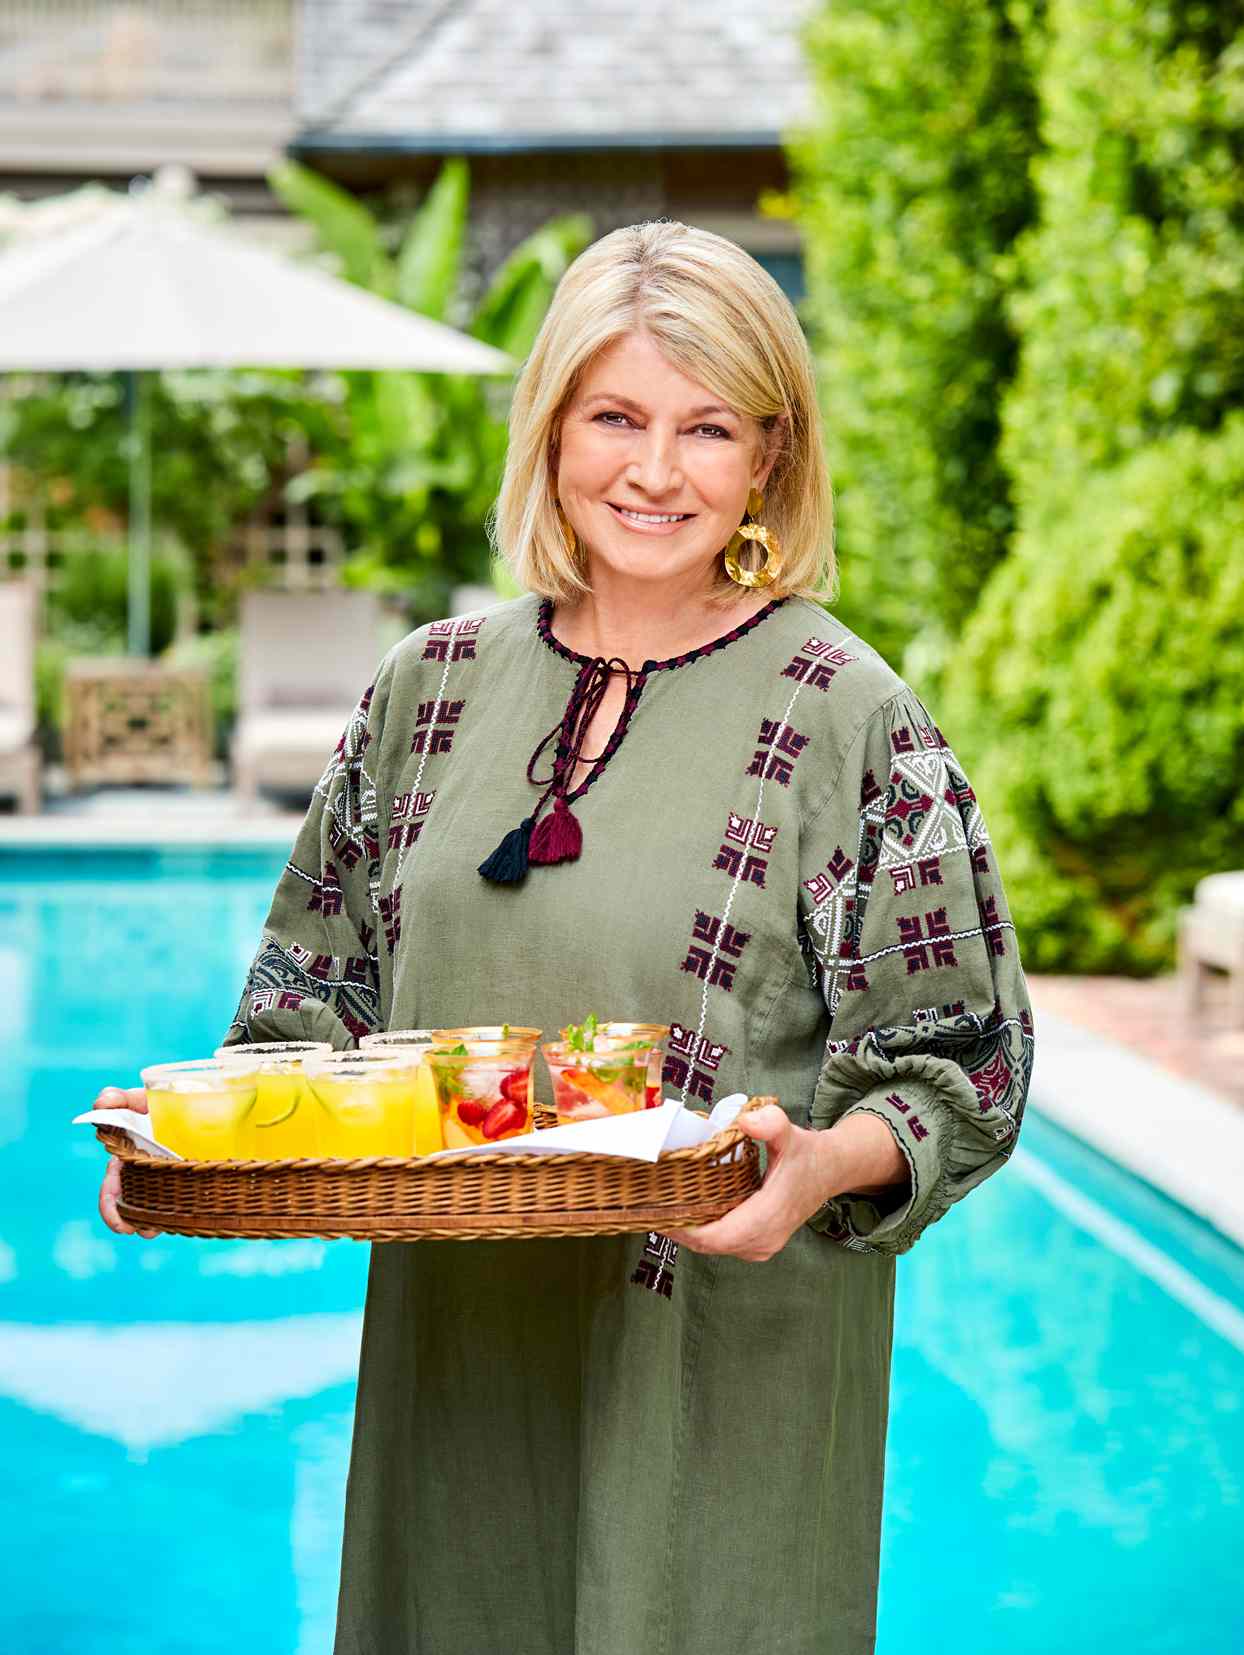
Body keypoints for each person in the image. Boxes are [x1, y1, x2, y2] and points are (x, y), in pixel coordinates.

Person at [98, 221, 1033, 1655]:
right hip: (458, 1382)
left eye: (707, 427)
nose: (656, 472)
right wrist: (196, 1148)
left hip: (716, 1395)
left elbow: (962, 1068)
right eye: (616, 416)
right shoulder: (430, 689)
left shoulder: (846, 711)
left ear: (768, 457)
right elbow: (304, 1011)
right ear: (550, 427)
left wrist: (815, 1170)